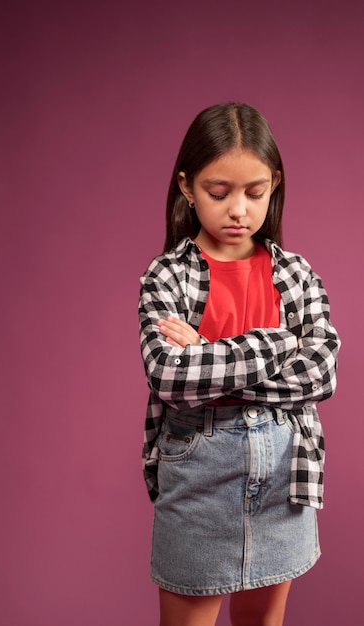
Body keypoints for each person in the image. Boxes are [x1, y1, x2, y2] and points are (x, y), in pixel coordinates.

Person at [138, 102, 340, 626]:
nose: (239, 210)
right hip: (197, 475)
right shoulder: (167, 278)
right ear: (187, 187)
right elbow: (170, 377)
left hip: (284, 475)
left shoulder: (295, 275)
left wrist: (207, 351)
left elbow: (321, 374)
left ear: (274, 184)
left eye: (255, 193)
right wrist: (278, 343)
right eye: (218, 192)